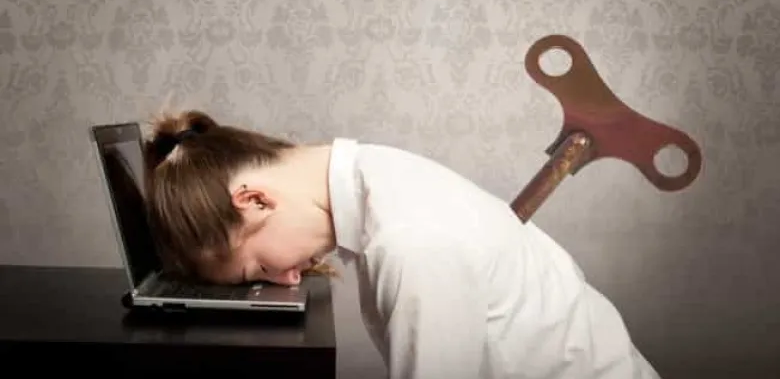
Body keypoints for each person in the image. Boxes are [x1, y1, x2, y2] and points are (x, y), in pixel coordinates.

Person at [142, 109, 661, 379]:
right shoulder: (379, 175)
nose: (287, 279)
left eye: (255, 267)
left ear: (254, 200)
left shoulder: (411, 243)